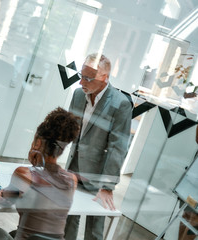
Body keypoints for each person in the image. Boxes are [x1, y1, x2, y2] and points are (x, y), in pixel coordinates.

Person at [0, 107, 80, 240]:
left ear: (37, 143)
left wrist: (3, 193)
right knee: (14, 233)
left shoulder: (25, 174)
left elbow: (6, 200)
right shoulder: (72, 180)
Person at [64, 53, 132, 240]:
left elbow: (118, 148)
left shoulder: (121, 104)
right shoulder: (79, 95)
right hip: (74, 168)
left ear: (104, 78)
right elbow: (67, 129)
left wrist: (108, 185)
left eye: (88, 78)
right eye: (81, 76)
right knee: (68, 218)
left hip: (99, 174)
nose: (81, 83)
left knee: (94, 228)